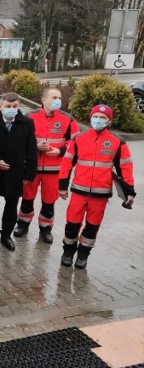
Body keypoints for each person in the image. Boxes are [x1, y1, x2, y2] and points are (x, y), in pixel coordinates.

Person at [58, 104, 136, 269]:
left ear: (109, 121)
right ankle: (68, 252)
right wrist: (62, 186)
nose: (98, 120)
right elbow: (66, 163)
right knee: (72, 224)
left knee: (92, 227)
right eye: (96, 117)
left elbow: (125, 168)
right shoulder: (78, 138)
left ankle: (83, 255)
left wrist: (130, 192)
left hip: (100, 196)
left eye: (103, 118)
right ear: (90, 117)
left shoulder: (117, 142)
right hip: (79, 192)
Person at [15, 88, 79, 243]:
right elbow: (19, 139)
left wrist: (60, 150)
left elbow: (75, 144)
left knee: (49, 202)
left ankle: (45, 229)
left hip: (54, 170)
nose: (57, 100)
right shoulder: (29, 116)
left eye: (59, 97)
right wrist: (36, 147)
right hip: (32, 169)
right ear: (43, 100)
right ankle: (23, 225)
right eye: (53, 97)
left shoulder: (68, 119)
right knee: (27, 199)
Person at [0, 92, 37, 251]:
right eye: (8, 106)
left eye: (15, 106)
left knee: (11, 205)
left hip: (16, 173)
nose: (11, 109)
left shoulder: (27, 123)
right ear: (1, 106)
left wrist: (29, 174)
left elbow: (32, 150)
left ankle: (6, 234)